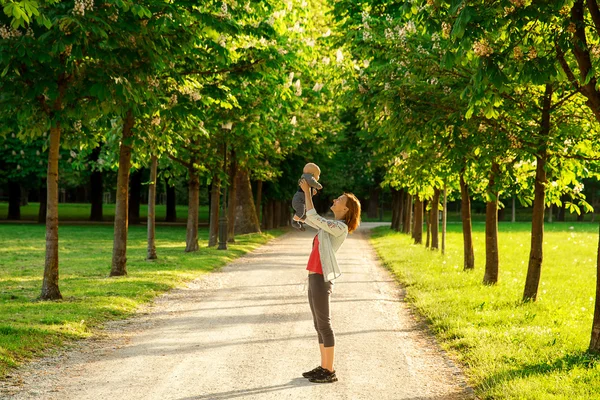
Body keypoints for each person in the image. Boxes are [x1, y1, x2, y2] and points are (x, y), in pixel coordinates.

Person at [298, 177, 361, 384]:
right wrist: (301, 213)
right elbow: (310, 218)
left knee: (324, 324)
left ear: (346, 210)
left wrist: (308, 193)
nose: (335, 199)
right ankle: (324, 366)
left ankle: (330, 371)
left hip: (321, 278)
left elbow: (314, 216)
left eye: (340, 199)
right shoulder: (330, 225)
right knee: (318, 324)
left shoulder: (340, 228)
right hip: (313, 275)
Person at [291, 163, 323, 231]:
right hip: (298, 200)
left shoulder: (305, 178)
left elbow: (306, 193)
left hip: (299, 200)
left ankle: (300, 222)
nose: (318, 177)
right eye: (318, 175)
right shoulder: (309, 177)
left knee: (304, 213)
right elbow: (313, 182)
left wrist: (312, 193)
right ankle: (294, 221)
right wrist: (318, 185)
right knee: (301, 211)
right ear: (313, 174)